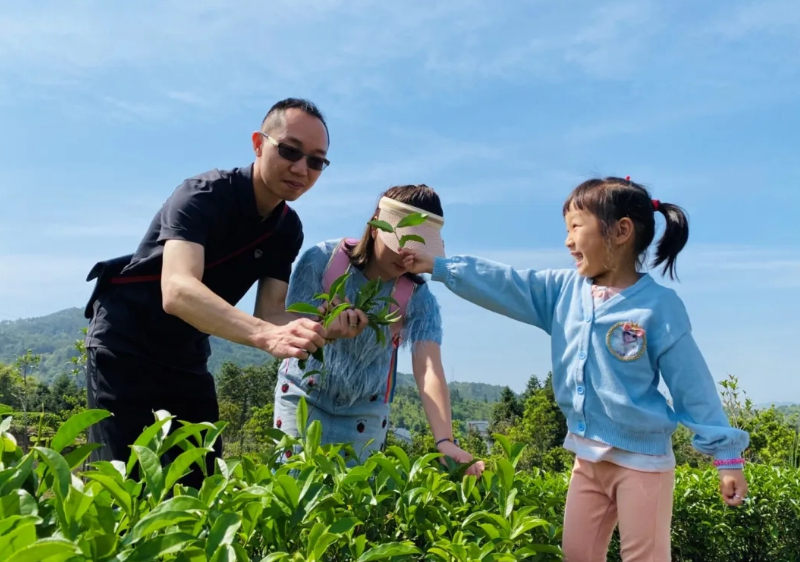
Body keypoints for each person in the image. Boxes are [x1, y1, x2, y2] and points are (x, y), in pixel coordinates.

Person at [401, 176, 749, 561]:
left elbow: (692, 385)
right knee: (577, 555)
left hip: (643, 463)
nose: (567, 241)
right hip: (587, 459)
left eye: (575, 228)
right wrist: (440, 266)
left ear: (620, 232)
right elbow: (507, 283)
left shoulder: (658, 307)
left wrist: (726, 458)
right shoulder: (563, 291)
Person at [82, 98, 364, 488]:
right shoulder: (202, 195)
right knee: (124, 486)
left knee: (201, 487)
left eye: (316, 161)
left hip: (186, 357)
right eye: (289, 151)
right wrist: (267, 336)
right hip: (125, 346)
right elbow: (178, 290)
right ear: (258, 143)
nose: (301, 169)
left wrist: (325, 325)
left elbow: (270, 313)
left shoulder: (286, 229)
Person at [273, 184, 485, 476]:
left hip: (366, 413)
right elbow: (287, 326)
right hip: (303, 396)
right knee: (292, 485)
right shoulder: (322, 260)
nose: (406, 255)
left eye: (418, 247)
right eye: (399, 240)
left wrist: (445, 440)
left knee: (354, 504)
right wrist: (326, 329)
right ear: (375, 226)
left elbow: (428, 369)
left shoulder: (418, 298)